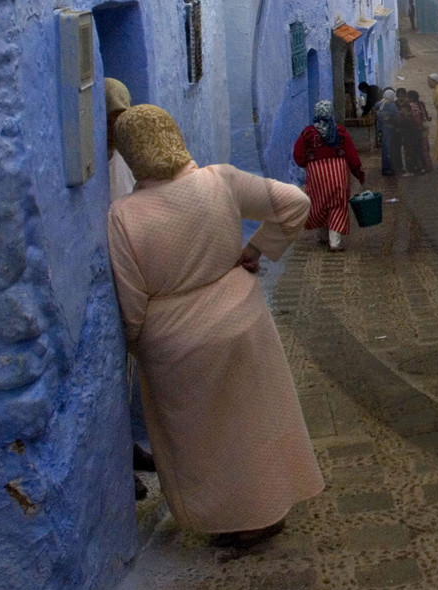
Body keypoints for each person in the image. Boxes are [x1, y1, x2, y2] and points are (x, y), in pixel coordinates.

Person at [107, 105, 321, 548]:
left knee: (201, 442)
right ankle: (263, 512)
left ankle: (223, 521)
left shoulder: (124, 217)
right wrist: (258, 248)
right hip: (241, 320)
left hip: (175, 344)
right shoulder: (220, 180)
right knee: (251, 425)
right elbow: (295, 203)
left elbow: (130, 304)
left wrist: (138, 346)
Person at [104, 78, 155, 498]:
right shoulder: (91, 166)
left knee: (128, 374)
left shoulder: (122, 159)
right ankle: (121, 464)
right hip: (110, 283)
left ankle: (130, 449)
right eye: (111, 120)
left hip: (131, 279)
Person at [292, 100, 365, 252]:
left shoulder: (308, 133)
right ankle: (335, 242)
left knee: (319, 204)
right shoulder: (340, 132)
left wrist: (308, 163)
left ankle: (323, 236)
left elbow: (298, 155)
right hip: (338, 173)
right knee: (337, 205)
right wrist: (357, 171)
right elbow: (351, 155)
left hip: (316, 174)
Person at [374, 88, 401, 176]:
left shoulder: (379, 104)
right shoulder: (391, 105)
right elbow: (396, 118)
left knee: (385, 148)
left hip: (382, 129)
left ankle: (385, 167)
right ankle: (389, 168)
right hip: (390, 129)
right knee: (389, 149)